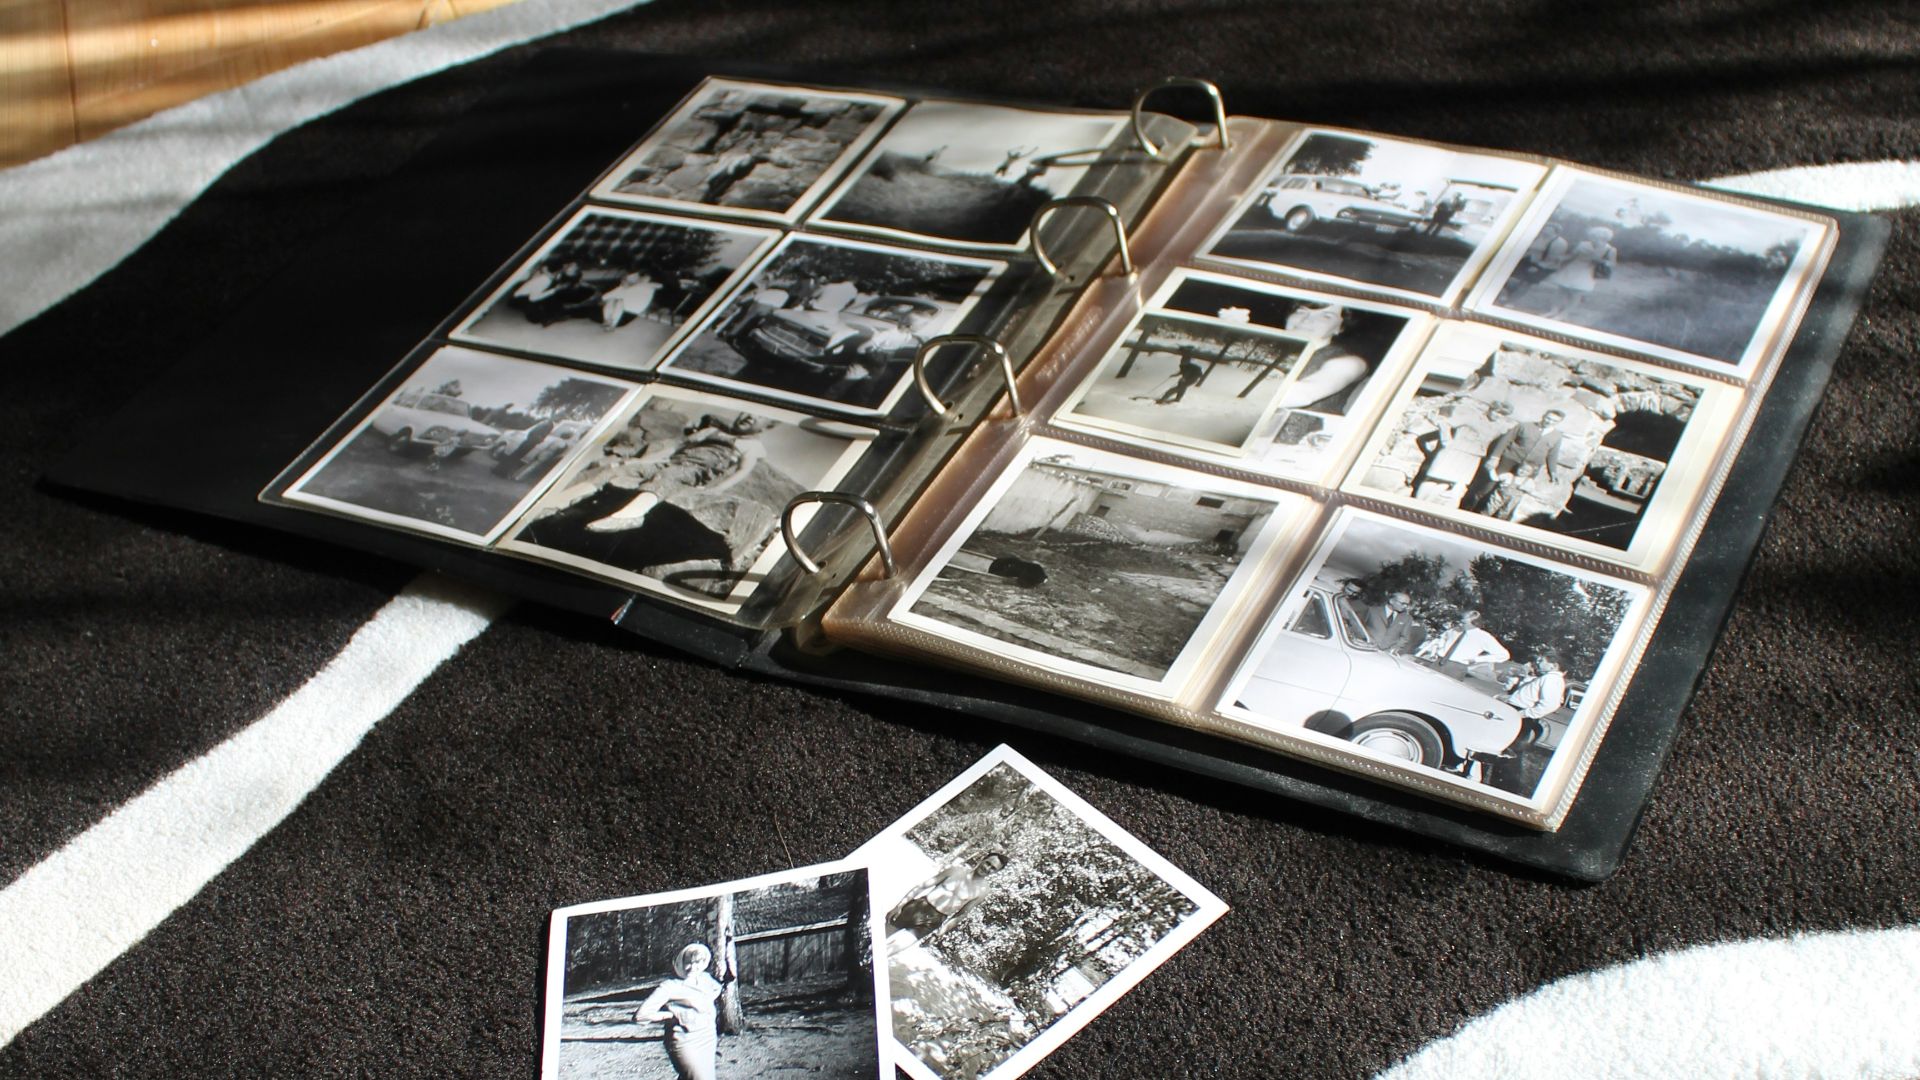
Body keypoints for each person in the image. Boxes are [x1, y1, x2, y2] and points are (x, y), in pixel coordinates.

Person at [635, 942, 727, 1080]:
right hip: (684, 1041)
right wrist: (669, 1015)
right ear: (681, 963)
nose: (692, 967)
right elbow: (641, 1015)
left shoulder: (706, 980)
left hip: (707, 1037)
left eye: (698, 963)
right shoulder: (670, 986)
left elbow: (717, 990)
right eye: (688, 962)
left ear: (704, 964)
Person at [1462, 408, 1568, 519]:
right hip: (1509, 460)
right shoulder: (1524, 426)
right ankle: (1467, 511)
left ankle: (1492, 519)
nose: (1549, 421)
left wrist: (1553, 472)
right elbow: (1505, 440)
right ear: (1543, 415)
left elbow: (1552, 454)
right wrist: (1495, 457)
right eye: (1548, 418)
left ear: (1558, 423)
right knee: (1487, 487)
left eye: (1553, 421)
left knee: (1511, 495)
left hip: (1529, 468)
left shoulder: (1557, 436)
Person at [888, 851, 1007, 949]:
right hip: (918, 907)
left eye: (993, 868)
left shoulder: (982, 891)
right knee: (876, 941)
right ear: (982, 859)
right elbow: (923, 886)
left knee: (891, 950)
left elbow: (961, 915)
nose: (987, 868)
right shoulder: (955, 871)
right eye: (988, 863)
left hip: (932, 921)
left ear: (996, 872)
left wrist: (938, 933)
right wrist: (900, 905)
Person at [1276, 303, 1373, 414]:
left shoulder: (1351, 362)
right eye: (1301, 311)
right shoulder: (1267, 347)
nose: (1306, 320)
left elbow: (1301, 395)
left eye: (1326, 316)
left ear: (1340, 328)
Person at [1531, 226, 1618, 319]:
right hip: (1573, 268)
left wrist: (1600, 261)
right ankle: (1553, 311)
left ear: (1604, 238)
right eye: (1592, 236)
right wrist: (1560, 259)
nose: (1593, 239)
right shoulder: (1583, 244)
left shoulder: (1610, 249)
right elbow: (1572, 256)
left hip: (1588, 272)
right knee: (1561, 291)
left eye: (1596, 237)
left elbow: (1612, 264)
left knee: (1576, 294)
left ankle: (1564, 314)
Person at [1415, 609, 1511, 678]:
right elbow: (1442, 638)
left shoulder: (1483, 637)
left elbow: (1503, 655)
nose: (1460, 623)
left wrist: (1476, 659)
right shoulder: (1454, 630)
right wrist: (1438, 650)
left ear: (1474, 622)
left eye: (1463, 621)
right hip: (1438, 663)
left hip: (1456, 668)